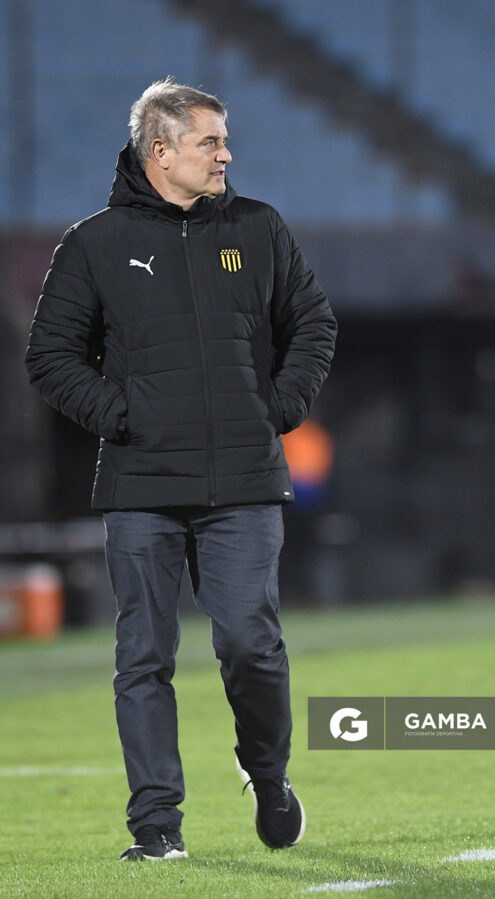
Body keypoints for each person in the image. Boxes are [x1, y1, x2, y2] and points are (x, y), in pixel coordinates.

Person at [25, 78, 337, 861]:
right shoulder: (92, 243)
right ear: (161, 151)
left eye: (224, 141)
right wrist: (122, 415)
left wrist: (279, 405)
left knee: (249, 643)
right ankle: (156, 827)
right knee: (143, 657)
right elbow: (50, 357)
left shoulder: (260, 228)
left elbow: (313, 322)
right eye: (211, 142)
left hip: (243, 478)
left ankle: (268, 774)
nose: (226, 154)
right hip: (140, 484)